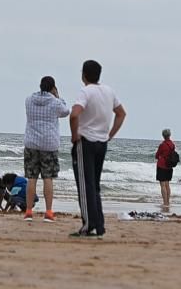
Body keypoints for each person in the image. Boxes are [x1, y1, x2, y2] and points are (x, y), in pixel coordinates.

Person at [69, 59, 125, 239]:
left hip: (86, 141)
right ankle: (99, 224)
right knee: (95, 185)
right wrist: (110, 134)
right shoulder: (109, 91)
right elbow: (121, 113)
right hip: (102, 142)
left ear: (84, 74)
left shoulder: (86, 92)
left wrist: (74, 134)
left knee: (85, 185)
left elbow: (74, 114)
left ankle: (88, 225)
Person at [23, 75, 69, 222]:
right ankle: (48, 212)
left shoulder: (29, 100)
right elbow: (66, 111)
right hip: (49, 144)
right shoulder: (55, 102)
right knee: (48, 178)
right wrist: (58, 96)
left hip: (31, 142)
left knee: (31, 178)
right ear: (52, 87)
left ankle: (29, 211)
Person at [155, 129, 176, 209]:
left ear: (163, 135)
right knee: (167, 184)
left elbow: (157, 155)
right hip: (169, 166)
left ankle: (164, 202)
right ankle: (168, 202)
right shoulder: (172, 144)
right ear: (169, 135)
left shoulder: (162, 145)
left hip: (162, 166)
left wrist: (160, 157)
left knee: (162, 185)